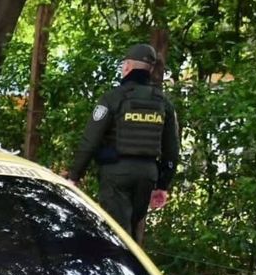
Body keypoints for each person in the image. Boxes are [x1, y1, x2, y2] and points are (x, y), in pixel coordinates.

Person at [69, 44, 179, 240]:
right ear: (151, 70)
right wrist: (163, 184)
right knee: (131, 228)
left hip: (116, 173)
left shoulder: (113, 98)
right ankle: (134, 267)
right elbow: (171, 148)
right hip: (147, 174)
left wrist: (74, 176)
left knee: (117, 233)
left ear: (127, 67)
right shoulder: (163, 102)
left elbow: (90, 140)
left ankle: (125, 268)